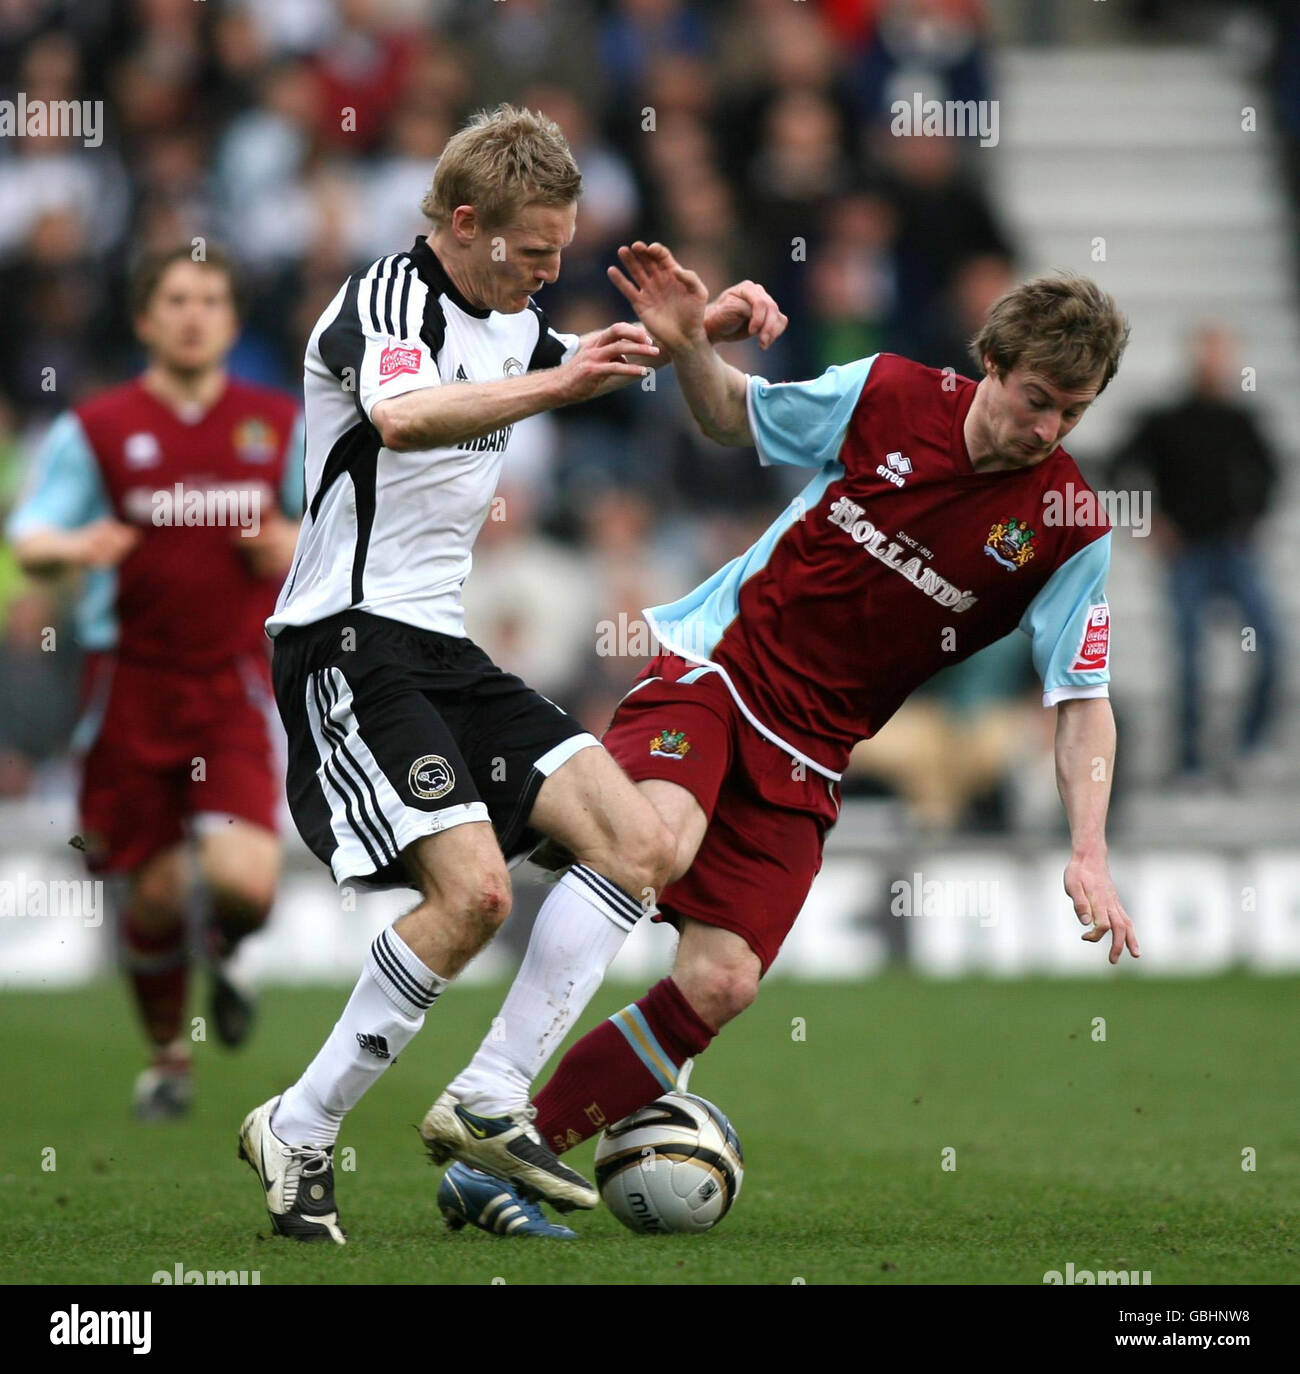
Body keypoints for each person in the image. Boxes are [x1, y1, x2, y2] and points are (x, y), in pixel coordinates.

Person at [434, 245, 1142, 1238]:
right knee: (657, 842)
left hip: (814, 748)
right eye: (1035, 399)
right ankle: (490, 1084)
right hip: (720, 667)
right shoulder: (887, 390)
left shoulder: (1067, 523)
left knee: (721, 981)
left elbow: (1081, 697)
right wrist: (686, 343)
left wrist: (1089, 849)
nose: (1048, 428)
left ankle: (507, 1161)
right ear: (992, 361)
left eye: (1072, 411)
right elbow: (733, 414)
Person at [237, 105, 787, 1244]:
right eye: (533, 250)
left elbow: (598, 366)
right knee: (477, 895)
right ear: (468, 222)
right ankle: (298, 1124)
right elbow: (402, 416)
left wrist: (702, 330)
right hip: (347, 638)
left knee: (634, 843)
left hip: (438, 645)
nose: (548, 271)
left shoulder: (517, 318)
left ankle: (489, 1099)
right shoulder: (385, 298)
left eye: (560, 251)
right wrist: (563, 377)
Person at [7, 245, 304, 1118]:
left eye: (210, 298)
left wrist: (289, 541)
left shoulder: (273, 422)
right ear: (144, 319)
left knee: (248, 883)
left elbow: (328, 524)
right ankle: (170, 1057)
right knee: (157, 892)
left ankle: (229, 948)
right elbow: (28, 533)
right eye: (174, 298)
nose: (192, 313)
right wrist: (73, 546)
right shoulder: (94, 428)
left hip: (231, 683)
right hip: (128, 682)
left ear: (231, 320)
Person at [1109, 324, 1282, 783]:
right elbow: (1116, 467)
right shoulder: (1166, 421)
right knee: (1188, 656)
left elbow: (1269, 475)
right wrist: (1148, 526)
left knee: (1270, 641)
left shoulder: (1241, 419)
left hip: (1232, 550)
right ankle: (1189, 760)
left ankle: (1250, 745)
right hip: (1185, 556)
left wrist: (1252, 522)